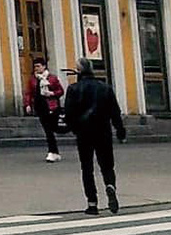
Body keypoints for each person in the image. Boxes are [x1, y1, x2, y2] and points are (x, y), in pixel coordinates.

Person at [62, 59, 127, 215]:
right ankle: (110, 185)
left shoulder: (73, 89)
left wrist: (72, 128)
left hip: (84, 133)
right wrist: (120, 131)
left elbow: (69, 114)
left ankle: (92, 203)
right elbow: (115, 112)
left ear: (78, 71)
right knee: (107, 165)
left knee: (87, 168)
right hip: (103, 131)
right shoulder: (105, 88)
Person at [25, 60, 64, 162]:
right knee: (48, 130)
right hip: (40, 107)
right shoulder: (33, 79)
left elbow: (60, 91)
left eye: (38, 66)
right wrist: (28, 104)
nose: (36, 68)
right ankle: (52, 152)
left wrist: (51, 93)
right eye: (35, 67)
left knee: (53, 127)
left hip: (52, 107)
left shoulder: (52, 78)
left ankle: (54, 151)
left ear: (44, 67)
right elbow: (29, 93)